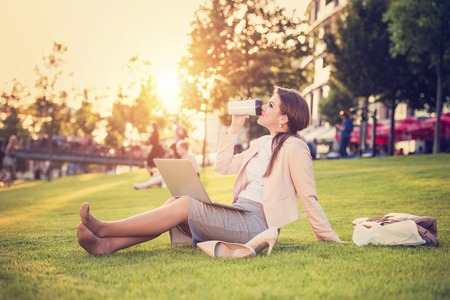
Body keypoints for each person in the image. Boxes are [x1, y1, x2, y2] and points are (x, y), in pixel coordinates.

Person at [77, 86, 341, 258]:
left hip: (257, 225)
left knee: (184, 205)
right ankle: (107, 245)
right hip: (241, 214)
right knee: (175, 202)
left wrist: (328, 238)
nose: (262, 107)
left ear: (284, 118)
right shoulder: (261, 144)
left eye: (270, 105)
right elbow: (222, 166)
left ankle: (106, 229)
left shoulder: (295, 147)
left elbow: (309, 197)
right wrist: (235, 126)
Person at [134, 139, 199, 190]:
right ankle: (145, 185)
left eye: (178, 149)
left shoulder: (190, 157)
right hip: (180, 179)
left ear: (184, 149)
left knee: (163, 177)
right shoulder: (182, 158)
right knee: (162, 176)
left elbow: (196, 173)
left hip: (186, 181)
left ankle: (143, 186)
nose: (177, 151)